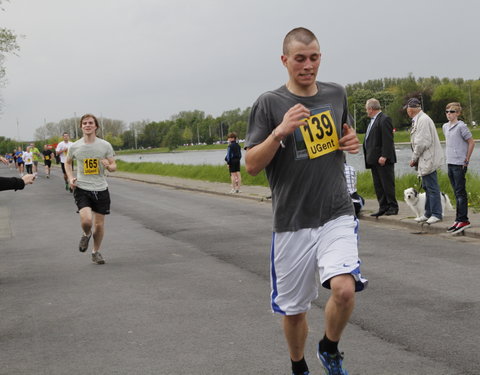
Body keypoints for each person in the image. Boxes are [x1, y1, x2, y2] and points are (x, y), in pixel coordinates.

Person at [245, 27, 367, 375]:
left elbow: (346, 134)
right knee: (294, 311)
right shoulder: (269, 103)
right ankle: (299, 366)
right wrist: (279, 132)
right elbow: (252, 165)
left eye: (314, 58)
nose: (308, 65)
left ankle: (329, 347)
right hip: (292, 221)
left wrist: (351, 142)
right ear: (285, 61)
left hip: (336, 212)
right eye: (300, 58)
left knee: (344, 290)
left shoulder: (336, 94)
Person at [65, 114, 116, 265]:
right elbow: (68, 163)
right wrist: (70, 177)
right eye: (85, 123)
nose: (87, 125)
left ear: (96, 126)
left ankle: (95, 252)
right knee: (87, 220)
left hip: (101, 188)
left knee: (99, 225)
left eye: (90, 123)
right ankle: (86, 234)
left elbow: (114, 166)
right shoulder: (75, 146)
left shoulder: (105, 145)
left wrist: (108, 166)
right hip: (82, 187)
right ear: (81, 127)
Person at [406, 98, 444, 224]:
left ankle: (436, 214)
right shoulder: (420, 119)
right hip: (425, 159)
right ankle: (428, 213)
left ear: (411, 109)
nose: (407, 111)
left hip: (428, 159)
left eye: (407, 108)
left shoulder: (423, 120)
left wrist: (414, 158)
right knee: (427, 188)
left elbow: (422, 142)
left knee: (432, 188)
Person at [442, 102, 475, 233]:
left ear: (458, 113)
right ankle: (458, 219)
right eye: (447, 111)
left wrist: (466, 159)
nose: (449, 114)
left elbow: (471, 142)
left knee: (461, 193)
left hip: (459, 163)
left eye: (452, 112)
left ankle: (464, 219)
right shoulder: (445, 127)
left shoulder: (461, 126)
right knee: (456, 192)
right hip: (450, 162)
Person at [363, 98, 398, 217]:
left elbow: (387, 139)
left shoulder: (384, 119)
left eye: (366, 109)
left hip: (382, 159)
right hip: (373, 159)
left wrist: (384, 155)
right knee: (378, 185)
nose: (366, 111)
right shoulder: (372, 121)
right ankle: (383, 206)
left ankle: (392, 206)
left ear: (371, 109)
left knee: (387, 183)